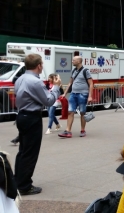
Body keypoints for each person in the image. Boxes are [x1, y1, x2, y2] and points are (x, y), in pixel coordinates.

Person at [14, 54, 61, 195]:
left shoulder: (21, 78)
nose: (42, 66)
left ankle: (18, 181)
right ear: (39, 65)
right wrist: (56, 87)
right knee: (30, 153)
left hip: (22, 115)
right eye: (42, 64)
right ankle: (24, 186)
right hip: (32, 118)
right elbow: (48, 100)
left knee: (23, 151)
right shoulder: (35, 82)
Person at [58, 56, 93, 138]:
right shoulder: (73, 70)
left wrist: (90, 96)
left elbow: (91, 84)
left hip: (83, 94)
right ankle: (68, 131)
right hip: (73, 94)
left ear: (79, 61)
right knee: (70, 111)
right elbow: (70, 83)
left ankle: (83, 130)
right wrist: (65, 93)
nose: (72, 61)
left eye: (74, 60)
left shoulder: (86, 71)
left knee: (82, 112)